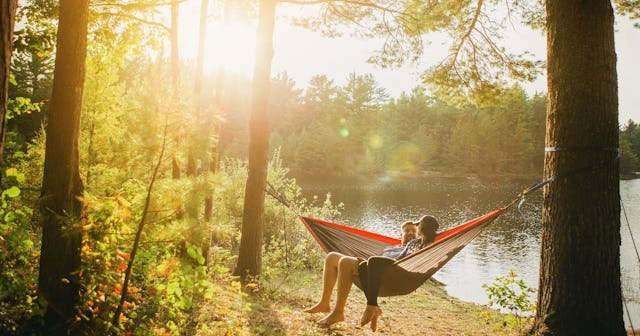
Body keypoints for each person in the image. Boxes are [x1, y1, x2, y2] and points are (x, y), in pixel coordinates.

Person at [305, 216, 439, 330]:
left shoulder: (419, 245)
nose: (410, 233)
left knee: (351, 262)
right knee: (334, 257)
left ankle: (356, 309)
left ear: (420, 230)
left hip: (393, 273)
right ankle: (326, 304)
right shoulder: (393, 247)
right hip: (374, 267)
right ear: (400, 235)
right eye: (406, 231)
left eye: (414, 230)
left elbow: (428, 244)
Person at [359, 215, 439, 331]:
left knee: (373, 261)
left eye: (419, 225)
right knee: (362, 266)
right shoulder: (413, 243)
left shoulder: (431, 246)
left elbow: (427, 262)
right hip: (398, 264)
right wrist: (391, 262)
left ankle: (370, 306)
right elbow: (401, 256)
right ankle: (374, 306)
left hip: (406, 273)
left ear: (423, 227)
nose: (417, 228)